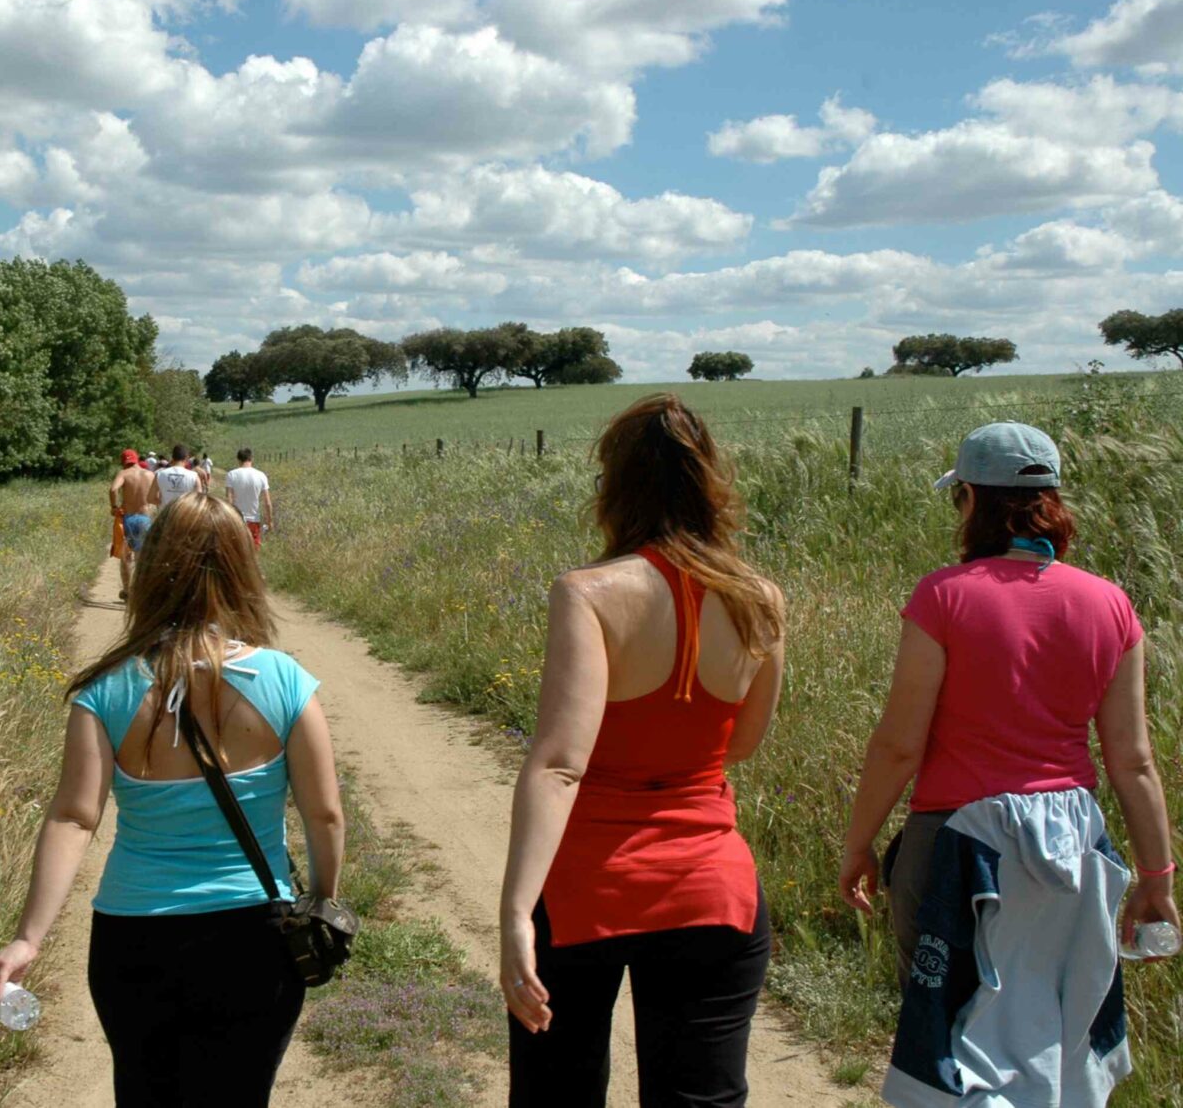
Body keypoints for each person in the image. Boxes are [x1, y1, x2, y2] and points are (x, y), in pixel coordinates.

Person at [0, 493, 346, 1108]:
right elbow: (325, 812)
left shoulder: (105, 690)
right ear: (241, 567)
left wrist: (28, 939)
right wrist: (323, 897)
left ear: (149, 566)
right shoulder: (284, 680)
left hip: (133, 939)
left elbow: (73, 816)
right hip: (255, 936)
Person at [838, 422, 1174, 1107]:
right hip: (1073, 848)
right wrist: (1157, 877)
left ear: (969, 499)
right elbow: (1132, 759)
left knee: (953, 1041)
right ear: (1051, 500)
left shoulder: (944, 595)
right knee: (1055, 1031)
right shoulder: (1110, 603)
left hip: (957, 845)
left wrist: (858, 845)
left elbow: (899, 743)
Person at [499, 394, 786, 1108]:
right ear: (709, 479)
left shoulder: (590, 594)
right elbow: (742, 742)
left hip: (582, 888)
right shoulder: (760, 598)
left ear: (614, 484)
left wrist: (512, 912)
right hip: (711, 886)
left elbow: (561, 762)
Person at [108, 449, 155, 601]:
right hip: (145, 518)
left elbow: (113, 489)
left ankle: (127, 592)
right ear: (136, 459)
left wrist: (114, 507)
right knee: (141, 558)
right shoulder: (150, 474)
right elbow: (157, 497)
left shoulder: (123, 473)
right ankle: (141, 592)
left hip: (128, 518)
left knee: (126, 557)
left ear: (124, 461)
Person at [226, 447, 273, 551]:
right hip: (253, 520)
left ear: (238, 459)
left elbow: (229, 500)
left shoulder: (231, 475)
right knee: (253, 552)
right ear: (251, 458)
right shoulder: (261, 475)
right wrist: (270, 522)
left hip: (236, 519)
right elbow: (268, 503)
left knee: (236, 552)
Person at [152, 443, 202, 511]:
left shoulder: (159, 474)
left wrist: (163, 505)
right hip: (184, 515)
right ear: (187, 458)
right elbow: (199, 501)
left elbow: (150, 498)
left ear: (172, 458)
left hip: (165, 515)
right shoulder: (194, 476)